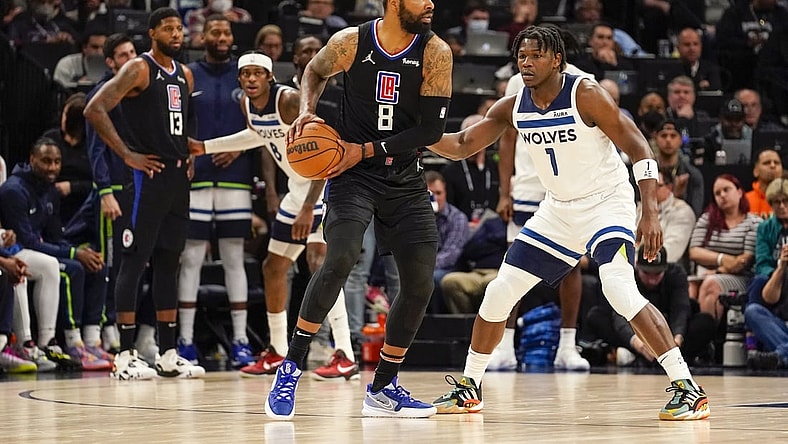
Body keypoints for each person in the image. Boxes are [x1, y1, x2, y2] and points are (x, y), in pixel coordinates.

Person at [428, 25, 709, 421]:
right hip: (558, 209)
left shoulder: (586, 93)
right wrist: (416, 134)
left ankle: (688, 389)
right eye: (521, 56)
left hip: (606, 203)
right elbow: (460, 145)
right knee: (499, 292)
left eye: (535, 55)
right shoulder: (514, 103)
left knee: (619, 290)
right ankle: (470, 389)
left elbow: (638, 147)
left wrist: (648, 210)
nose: (526, 62)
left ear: (556, 59)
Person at [263, 0, 453, 420]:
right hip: (353, 178)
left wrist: (363, 149)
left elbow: (431, 130)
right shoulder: (350, 42)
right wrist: (308, 110)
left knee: (420, 284)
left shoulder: (436, 51)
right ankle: (290, 366)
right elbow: (313, 70)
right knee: (340, 259)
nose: (430, 4)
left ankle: (383, 388)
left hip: (403, 177)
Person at [187, 52, 358, 381]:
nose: (251, 79)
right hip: (297, 192)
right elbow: (258, 136)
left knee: (319, 264)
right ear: (240, 80)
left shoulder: (290, 101)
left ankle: (344, 353)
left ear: (269, 77)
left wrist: (310, 206)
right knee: (274, 265)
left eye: (258, 73)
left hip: (324, 190)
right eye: (246, 74)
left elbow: (327, 148)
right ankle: (278, 350)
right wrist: (205, 147)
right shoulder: (248, 106)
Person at [84, 7, 205, 380]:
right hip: (142, 179)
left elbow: (180, 124)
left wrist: (188, 154)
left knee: (170, 261)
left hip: (175, 179)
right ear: (153, 33)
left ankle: (167, 353)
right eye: (168, 28)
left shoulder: (184, 74)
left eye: (179, 28)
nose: (176, 34)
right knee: (133, 262)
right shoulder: (138, 68)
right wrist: (127, 155)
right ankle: (124, 355)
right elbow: (94, 108)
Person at [175, 14, 255, 369]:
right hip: (197, 177)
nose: (222, 36)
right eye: (215, 31)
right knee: (191, 258)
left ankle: (240, 340)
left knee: (234, 258)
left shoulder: (246, 74)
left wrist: (239, 148)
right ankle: (186, 340)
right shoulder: (189, 73)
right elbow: (177, 121)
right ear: (202, 35)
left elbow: (262, 124)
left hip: (236, 176)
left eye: (226, 31)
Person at [0, 138, 110, 371]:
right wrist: (72, 253)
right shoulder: (13, 190)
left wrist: (78, 250)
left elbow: (54, 235)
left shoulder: (50, 190)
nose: (52, 167)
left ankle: (78, 341)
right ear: (32, 159)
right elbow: (27, 240)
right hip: (16, 251)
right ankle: (40, 343)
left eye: (57, 162)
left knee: (91, 264)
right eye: (46, 161)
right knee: (64, 267)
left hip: (26, 250)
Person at [84, 32, 159, 362]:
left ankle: (142, 335)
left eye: (134, 52)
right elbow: (96, 150)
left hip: (142, 186)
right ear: (110, 61)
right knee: (114, 264)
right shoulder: (100, 95)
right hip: (114, 190)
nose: (131, 58)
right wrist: (103, 191)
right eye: (123, 54)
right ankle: (105, 331)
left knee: (144, 262)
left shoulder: (140, 90)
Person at [688, 174, 760, 323]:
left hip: (742, 278)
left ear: (740, 192)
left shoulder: (753, 222)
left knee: (711, 284)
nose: (722, 195)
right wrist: (723, 259)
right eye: (717, 193)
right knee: (688, 287)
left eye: (726, 190)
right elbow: (694, 251)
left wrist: (718, 270)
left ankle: (707, 339)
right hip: (705, 274)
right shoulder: (707, 219)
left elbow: (745, 260)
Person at [745, 177, 788, 369]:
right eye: (776, 202)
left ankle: (781, 354)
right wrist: (781, 267)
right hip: (776, 286)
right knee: (753, 310)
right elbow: (762, 263)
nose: (781, 206)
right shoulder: (766, 228)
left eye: (786, 201)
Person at [745, 149, 783, 219]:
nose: (773, 165)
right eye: (767, 163)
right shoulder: (744, 201)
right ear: (756, 171)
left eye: (777, 163)